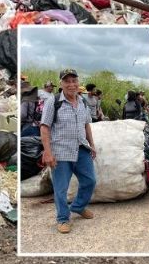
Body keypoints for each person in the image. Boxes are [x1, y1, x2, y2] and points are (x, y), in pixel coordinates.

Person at [40, 68, 97, 234]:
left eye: (74, 81)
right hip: (61, 151)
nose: (71, 84)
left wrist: (91, 144)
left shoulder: (83, 102)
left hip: (81, 149)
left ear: (78, 83)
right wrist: (48, 152)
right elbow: (45, 127)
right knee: (61, 188)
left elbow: (86, 124)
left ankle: (78, 206)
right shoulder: (54, 101)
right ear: (61, 84)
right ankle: (63, 219)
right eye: (67, 81)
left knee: (90, 180)